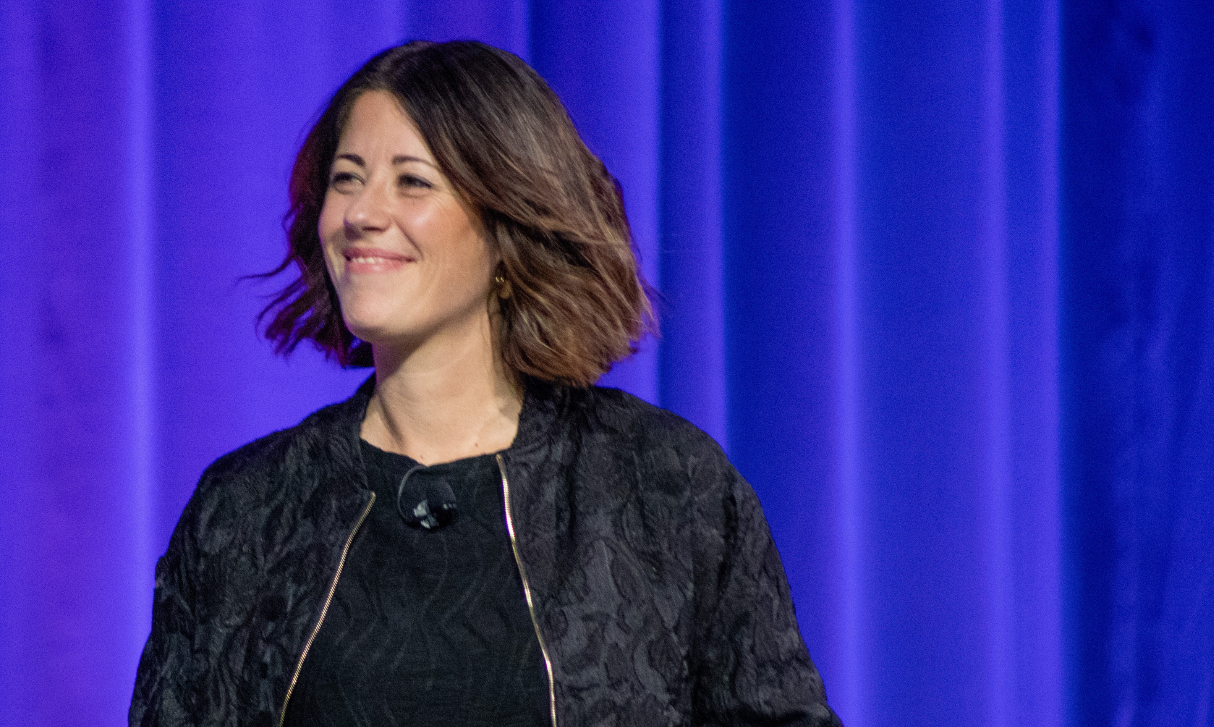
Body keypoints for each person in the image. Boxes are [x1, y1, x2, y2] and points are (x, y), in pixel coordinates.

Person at [131, 40, 839, 727]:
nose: (360, 214)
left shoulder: (664, 484)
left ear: (507, 223)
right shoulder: (247, 507)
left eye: (412, 181)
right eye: (347, 178)